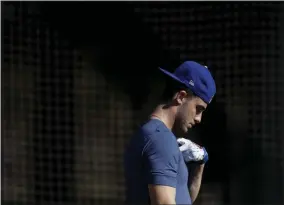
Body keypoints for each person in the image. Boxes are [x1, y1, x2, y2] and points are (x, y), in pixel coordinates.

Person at [124, 61, 216, 205]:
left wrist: (200, 164)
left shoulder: (152, 134)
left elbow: (182, 199)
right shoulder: (161, 140)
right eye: (198, 109)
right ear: (180, 97)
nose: (199, 119)